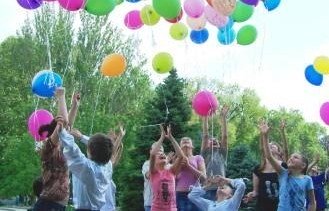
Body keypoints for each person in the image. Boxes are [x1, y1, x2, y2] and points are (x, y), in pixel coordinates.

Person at [260, 120, 316, 211]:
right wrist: (265, 136)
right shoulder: (283, 173)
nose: (291, 158)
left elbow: (312, 202)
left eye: (295, 157)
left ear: (303, 165)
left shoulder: (307, 179)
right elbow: (269, 156)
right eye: (291, 157)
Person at [70, 125, 125, 211]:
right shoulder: (106, 168)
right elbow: (104, 148)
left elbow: (106, 149)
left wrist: (81, 137)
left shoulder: (105, 167)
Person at [33, 87, 71, 211]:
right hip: (48, 206)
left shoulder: (61, 148)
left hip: (57, 205)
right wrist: (61, 97)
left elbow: (67, 125)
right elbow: (64, 124)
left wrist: (75, 106)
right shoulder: (48, 149)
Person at [243, 120, 289, 211]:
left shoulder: (283, 166)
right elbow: (256, 191)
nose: (270, 145)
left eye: (273, 145)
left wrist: (282, 132)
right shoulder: (258, 168)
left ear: (279, 151)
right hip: (262, 207)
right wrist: (252, 194)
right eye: (268, 144)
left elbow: (286, 150)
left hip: (280, 206)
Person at [150, 125, 184, 211]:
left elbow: (180, 156)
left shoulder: (171, 171)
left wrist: (171, 138)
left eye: (163, 154)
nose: (162, 154)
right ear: (155, 162)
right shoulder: (153, 172)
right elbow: (153, 154)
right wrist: (162, 137)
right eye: (159, 154)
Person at [201, 106, 229, 200]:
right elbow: (205, 135)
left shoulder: (222, 153)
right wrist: (205, 117)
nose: (214, 140)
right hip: (207, 190)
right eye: (211, 140)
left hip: (221, 190)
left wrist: (224, 118)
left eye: (216, 140)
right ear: (207, 144)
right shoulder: (205, 153)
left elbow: (225, 136)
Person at [142, 143, 165, 211]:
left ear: (163, 152)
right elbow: (149, 175)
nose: (158, 151)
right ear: (151, 152)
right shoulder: (146, 164)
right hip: (150, 204)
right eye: (156, 149)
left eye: (160, 150)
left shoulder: (167, 165)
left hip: (165, 205)